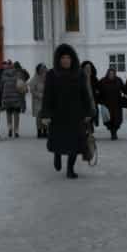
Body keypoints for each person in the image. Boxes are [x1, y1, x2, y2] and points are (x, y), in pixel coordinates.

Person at [41, 44, 93, 179]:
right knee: (58, 140)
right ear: (58, 59)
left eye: (68, 58)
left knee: (75, 144)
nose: (65, 60)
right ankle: (57, 155)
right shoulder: (52, 74)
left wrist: (88, 112)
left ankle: (70, 169)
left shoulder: (80, 73)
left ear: (72, 59)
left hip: (76, 114)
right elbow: (47, 96)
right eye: (63, 58)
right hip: (58, 115)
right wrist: (46, 114)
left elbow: (85, 94)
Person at [0, 61, 26, 138]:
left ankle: (10, 128)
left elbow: (1, 86)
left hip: (6, 97)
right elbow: (22, 85)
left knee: (8, 113)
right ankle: (16, 131)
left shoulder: (4, 74)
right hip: (16, 97)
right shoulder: (19, 74)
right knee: (16, 114)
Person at [98, 67, 125, 139]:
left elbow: (123, 88)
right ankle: (112, 132)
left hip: (117, 103)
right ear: (107, 74)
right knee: (109, 119)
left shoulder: (118, 80)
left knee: (117, 119)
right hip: (107, 104)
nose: (111, 75)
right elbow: (98, 91)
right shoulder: (102, 81)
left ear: (115, 74)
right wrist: (100, 101)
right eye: (110, 73)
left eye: (113, 73)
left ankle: (114, 132)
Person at [29, 63, 48, 138]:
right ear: (38, 70)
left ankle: (45, 130)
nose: (43, 70)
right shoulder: (35, 78)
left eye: (44, 68)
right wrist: (39, 95)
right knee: (39, 116)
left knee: (46, 116)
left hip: (46, 100)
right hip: (37, 101)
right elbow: (32, 89)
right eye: (41, 69)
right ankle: (39, 131)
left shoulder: (47, 77)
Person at [81, 60, 100, 130]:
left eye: (89, 68)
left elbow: (99, 88)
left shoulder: (94, 79)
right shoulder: (80, 78)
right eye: (86, 68)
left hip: (93, 101)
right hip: (83, 101)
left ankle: (90, 129)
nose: (88, 69)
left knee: (92, 115)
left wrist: (98, 92)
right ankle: (87, 130)